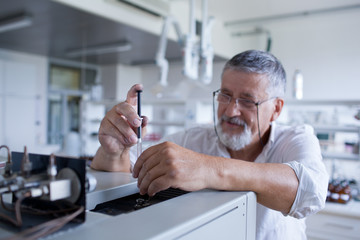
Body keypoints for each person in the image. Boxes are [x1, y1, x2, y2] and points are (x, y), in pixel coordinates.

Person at [91, 50, 329, 239]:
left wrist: (207, 169)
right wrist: (115, 150)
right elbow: (128, 170)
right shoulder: (192, 139)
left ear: (276, 108)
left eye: (247, 101)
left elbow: (311, 193)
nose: (230, 110)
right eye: (225, 95)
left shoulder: (295, 138)